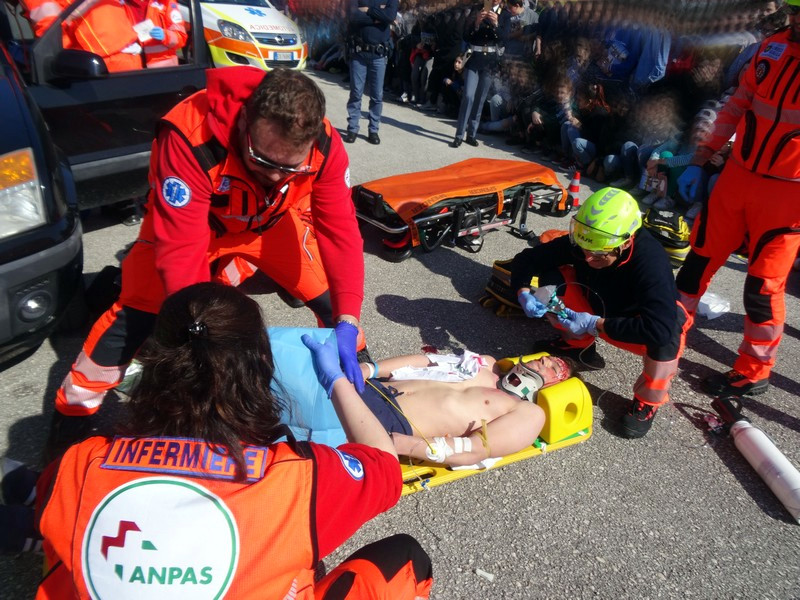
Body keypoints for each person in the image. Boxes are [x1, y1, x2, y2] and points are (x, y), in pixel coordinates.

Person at [29, 283, 434, 598]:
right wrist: (337, 381)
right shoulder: (299, 479)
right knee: (407, 556)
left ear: (153, 364)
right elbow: (382, 463)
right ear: (259, 368)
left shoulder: (78, 464)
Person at [50, 67, 367, 455]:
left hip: (268, 226)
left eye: (289, 169)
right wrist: (202, 342)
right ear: (245, 120)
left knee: (335, 303)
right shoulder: (190, 134)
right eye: (263, 160)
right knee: (137, 315)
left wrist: (349, 319)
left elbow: (340, 232)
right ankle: (71, 419)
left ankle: (363, 385)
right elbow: (181, 250)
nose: (274, 177)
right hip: (195, 229)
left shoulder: (325, 144)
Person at [674, 2, 800, 398]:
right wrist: (701, 157)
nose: (797, 19)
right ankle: (667, 335)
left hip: (789, 196)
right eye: (795, 10)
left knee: (762, 288)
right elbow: (736, 106)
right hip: (738, 177)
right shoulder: (771, 49)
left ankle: (754, 371)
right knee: (696, 263)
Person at [510, 188, 690, 439]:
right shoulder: (588, 240)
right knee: (552, 280)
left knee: (668, 337)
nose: (586, 258)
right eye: (584, 250)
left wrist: (596, 324)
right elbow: (528, 259)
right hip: (595, 303)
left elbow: (658, 329)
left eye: (596, 254)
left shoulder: (651, 262)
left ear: (625, 242)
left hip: (630, 322)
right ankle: (577, 346)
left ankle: (647, 401)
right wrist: (522, 291)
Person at [356, 351, 573, 467]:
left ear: (554, 386)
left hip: (388, 424)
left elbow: (475, 449)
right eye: (546, 357)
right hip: (372, 387)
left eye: (553, 366)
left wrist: (395, 443)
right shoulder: (487, 364)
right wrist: (369, 369)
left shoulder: (529, 414)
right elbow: (428, 361)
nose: (544, 359)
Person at [449, 0, 510, 148]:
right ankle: (459, 134)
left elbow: (504, 38)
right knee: (468, 96)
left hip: (489, 62)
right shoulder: (476, 9)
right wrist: (476, 23)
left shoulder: (505, 14)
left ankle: (471, 134)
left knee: (480, 99)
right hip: (474, 58)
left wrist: (496, 24)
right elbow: (466, 35)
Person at [343, 0, 399, 145]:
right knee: (356, 92)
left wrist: (368, 10)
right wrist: (379, 17)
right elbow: (353, 17)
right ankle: (352, 128)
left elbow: (390, 16)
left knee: (377, 95)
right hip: (359, 53)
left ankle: (373, 130)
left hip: (379, 54)